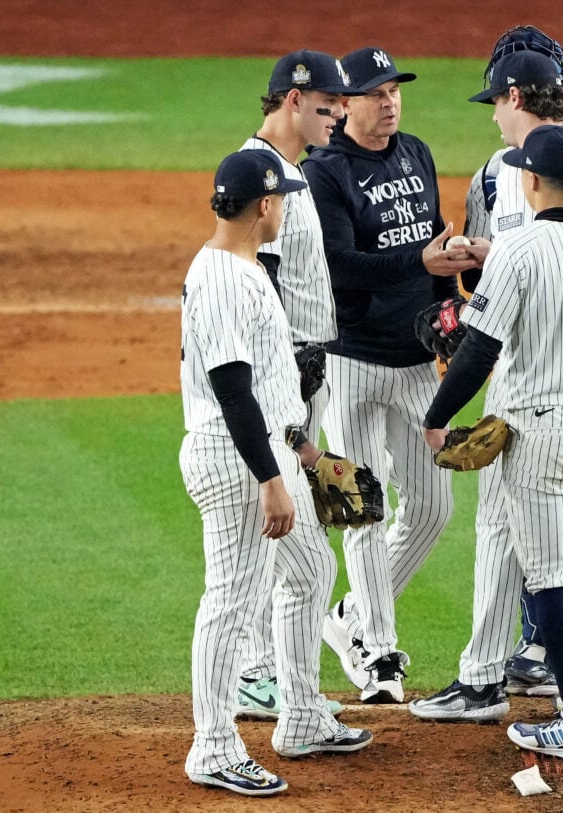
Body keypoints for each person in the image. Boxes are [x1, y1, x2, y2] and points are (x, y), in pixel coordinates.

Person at [409, 35, 563, 724]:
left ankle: (485, 676)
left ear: (514, 97)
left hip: (527, 382)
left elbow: (483, 298)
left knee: (503, 526)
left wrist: (486, 266)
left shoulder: (497, 171)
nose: (492, 114)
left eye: (495, 100)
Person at [179, 149, 372, 798]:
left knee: (312, 568)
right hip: (237, 459)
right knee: (230, 601)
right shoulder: (227, 278)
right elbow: (233, 389)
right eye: (282, 199)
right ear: (263, 205)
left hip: (265, 451)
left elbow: (268, 387)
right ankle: (213, 746)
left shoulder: (242, 268)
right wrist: (270, 478)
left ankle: (302, 715)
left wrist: (307, 457)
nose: (287, 207)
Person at [302, 46, 477, 704]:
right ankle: (378, 651)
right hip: (349, 359)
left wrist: (451, 299)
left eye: (395, 89)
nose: (389, 101)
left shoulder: (417, 154)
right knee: (364, 507)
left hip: (413, 359)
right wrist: (420, 263)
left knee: (434, 506)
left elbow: (432, 240)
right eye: (374, 92)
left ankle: (350, 616)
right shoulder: (324, 172)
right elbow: (342, 266)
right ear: (344, 103)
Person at [234, 49, 362, 723]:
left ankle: (266, 674)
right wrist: (286, 363)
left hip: (303, 376)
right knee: (280, 530)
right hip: (284, 379)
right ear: (291, 101)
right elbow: (263, 284)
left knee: (293, 525)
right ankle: (257, 674)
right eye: (326, 106)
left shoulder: (291, 171)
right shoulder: (263, 174)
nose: (339, 115)